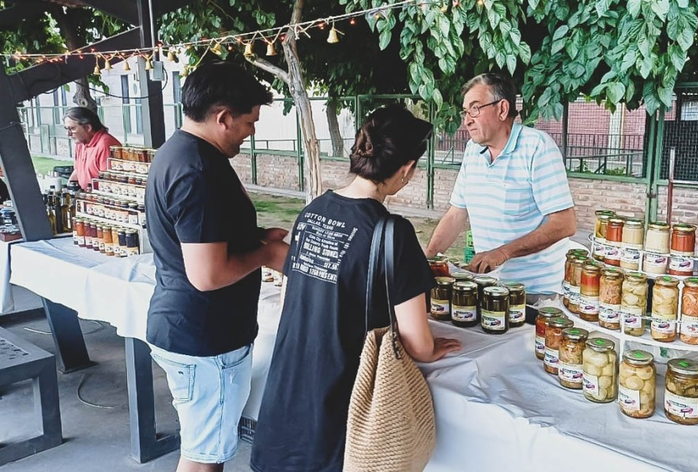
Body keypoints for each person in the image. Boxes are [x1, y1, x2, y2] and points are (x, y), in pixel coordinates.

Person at [251, 105, 462, 472]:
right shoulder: (393, 232)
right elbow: (416, 342)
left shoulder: (312, 211)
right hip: (342, 400)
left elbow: (290, 298)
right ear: (407, 170)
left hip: (287, 393)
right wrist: (431, 350)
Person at [144, 62, 289, 472]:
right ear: (222, 117)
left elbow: (199, 234)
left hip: (190, 329)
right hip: (204, 339)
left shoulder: (182, 151)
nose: (252, 131)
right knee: (204, 459)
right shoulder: (198, 171)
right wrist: (266, 255)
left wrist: (255, 236)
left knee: (206, 448)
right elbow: (207, 274)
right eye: (248, 121)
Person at [426, 73, 576, 298]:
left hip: (537, 291)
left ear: (502, 109)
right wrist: (428, 259)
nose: (467, 120)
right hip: (488, 285)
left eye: (475, 109)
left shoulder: (537, 147)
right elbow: (456, 213)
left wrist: (504, 252)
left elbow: (565, 224)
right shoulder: (472, 150)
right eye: (465, 111)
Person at [63, 107, 121, 190]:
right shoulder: (81, 142)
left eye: (72, 128)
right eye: (67, 129)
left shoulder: (105, 145)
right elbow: (77, 170)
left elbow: (110, 183)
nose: (68, 134)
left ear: (87, 128)